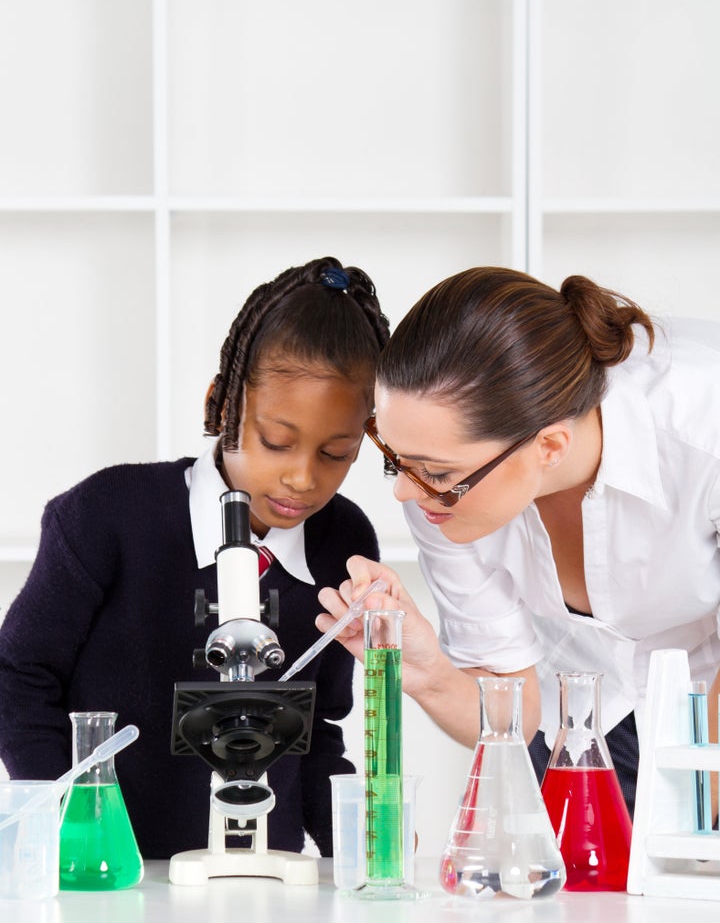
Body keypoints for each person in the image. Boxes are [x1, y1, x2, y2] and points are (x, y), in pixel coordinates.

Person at [0, 256, 390, 859]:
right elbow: (18, 677)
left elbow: (316, 732)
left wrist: (362, 843)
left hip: (265, 875)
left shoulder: (344, 543)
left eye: (336, 453)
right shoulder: (107, 515)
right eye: (276, 441)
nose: (301, 477)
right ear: (222, 403)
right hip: (109, 870)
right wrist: (61, 824)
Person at [317, 266, 720, 817]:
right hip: (580, 712)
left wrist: (702, 825)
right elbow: (517, 711)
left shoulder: (702, 429)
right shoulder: (441, 487)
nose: (406, 493)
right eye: (395, 461)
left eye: (432, 471)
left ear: (550, 446)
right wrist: (430, 672)